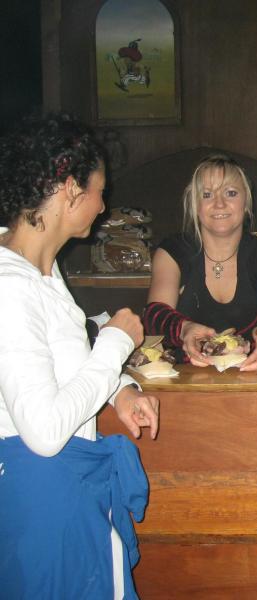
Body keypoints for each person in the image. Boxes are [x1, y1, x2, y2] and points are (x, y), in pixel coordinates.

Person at [0, 114, 160, 598]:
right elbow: (45, 431)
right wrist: (115, 343)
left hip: (64, 494)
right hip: (44, 504)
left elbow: (62, 361)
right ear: (70, 189)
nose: (103, 205)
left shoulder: (42, 271)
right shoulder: (9, 286)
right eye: (98, 191)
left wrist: (119, 390)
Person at [143, 154, 257, 369]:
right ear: (196, 205)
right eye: (207, 194)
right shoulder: (173, 252)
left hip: (247, 375)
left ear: (246, 202)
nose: (219, 204)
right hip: (183, 376)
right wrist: (183, 328)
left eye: (231, 193)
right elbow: (154, 315)